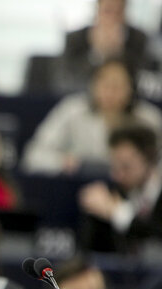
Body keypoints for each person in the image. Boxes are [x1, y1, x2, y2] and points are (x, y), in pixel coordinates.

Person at [22, 58, 162, 174]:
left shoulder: (149, 119)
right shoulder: (71, 110)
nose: (110, 92)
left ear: (131, 89)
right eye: (104, 84)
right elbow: (33, 156)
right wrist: (63, 163)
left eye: (117, 85)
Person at [79, 122, 162, 252]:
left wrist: (117, 213)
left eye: (126, 167)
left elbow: (155, 235)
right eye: (114, 166)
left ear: (150, 160)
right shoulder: (115, 191)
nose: (117, 176)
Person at [59, 0, 153, 93]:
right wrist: (97, 53)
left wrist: (118, 52)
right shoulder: (75, 39)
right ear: (97, 11)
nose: (113, 17)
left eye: (118, 12)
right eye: (108, 11)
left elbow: (144, 78)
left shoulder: (139, 39)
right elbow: (67, 78)